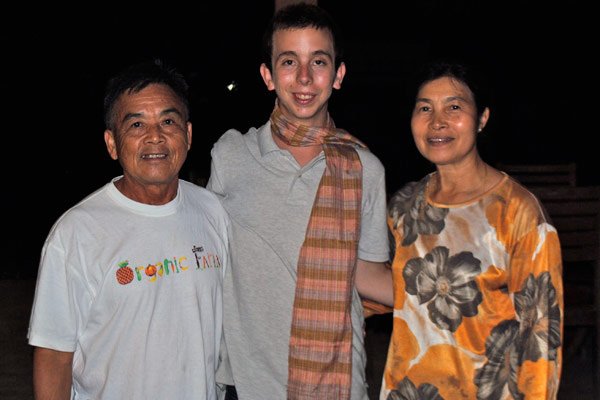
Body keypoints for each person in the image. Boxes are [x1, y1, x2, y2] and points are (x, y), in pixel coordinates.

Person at [206, 3, 392, 399]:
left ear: (338, 75)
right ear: (268, 75)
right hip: (249, 381)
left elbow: (367, 275)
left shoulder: (364, 168)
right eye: (289, 61)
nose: (305, 77)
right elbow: (204, 256)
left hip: (337, 382)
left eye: (319, 62)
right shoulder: (232, 154)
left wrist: (452, 292)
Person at [27, 59, 230, 400]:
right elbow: (53, 355)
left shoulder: (212, 211)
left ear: (188, 134)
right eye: (136, 124)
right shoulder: (77, 232)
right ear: (112, 143)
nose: (155, 136)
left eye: (168, 121)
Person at [381, 59, 563, 399]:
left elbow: (540, 340)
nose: (437, 121)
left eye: (454, 107)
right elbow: (397, 290)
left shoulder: (517, 212)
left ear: (482, 119)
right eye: (425, 108)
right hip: (409, 390)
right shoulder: (404, 206)